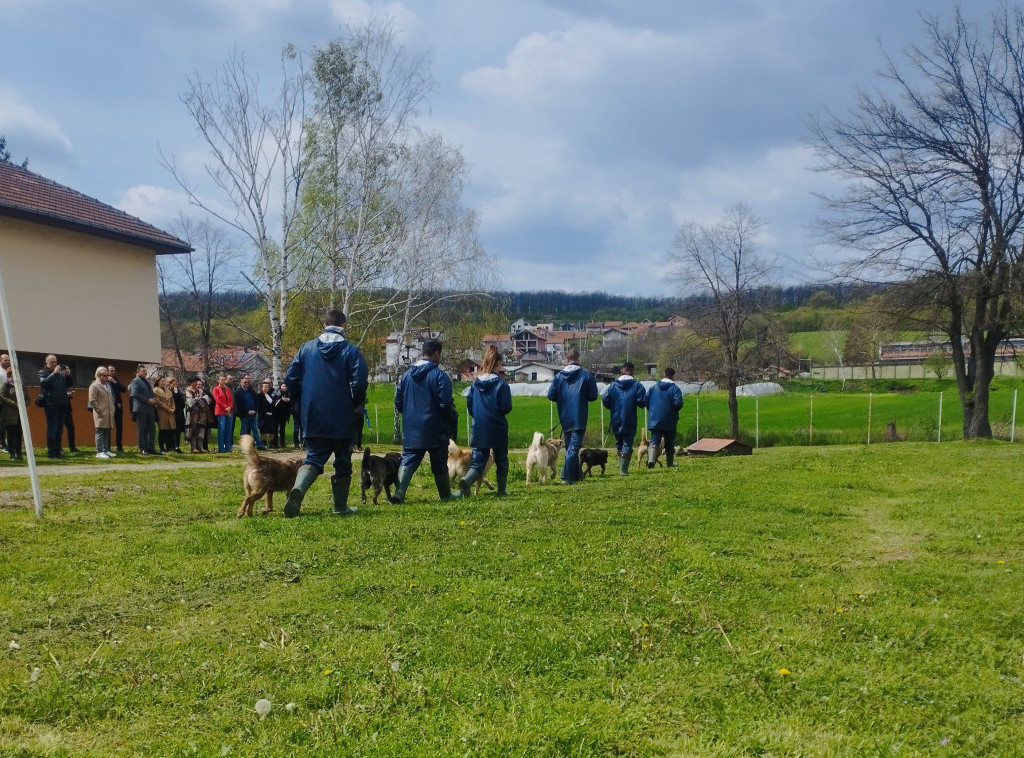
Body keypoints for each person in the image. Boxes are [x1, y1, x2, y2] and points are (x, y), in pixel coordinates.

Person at [283, 309, 369, 517]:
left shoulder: (306, 348)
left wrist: (298, 399)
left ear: (324, 325)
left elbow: (290, 378)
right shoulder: (350, 350)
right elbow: (360, 381)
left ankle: (298, 488)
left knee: (313, 458)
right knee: (342, 460)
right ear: (344, 325)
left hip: (312, 413)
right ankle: (339, 507)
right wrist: (355, 402)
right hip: (341, 414)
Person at [390, 339, 460, 503]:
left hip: (412, 428)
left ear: (423, 353)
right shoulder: (440, 376)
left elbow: (398, 402)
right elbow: (445, 404)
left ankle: (399, 493)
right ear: (436, 354)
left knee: (409, 459)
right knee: (439, 462)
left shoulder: (406, 376)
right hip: (435, 429)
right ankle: (445, 495)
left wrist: (410, 414)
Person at [460, 345, 512, 497]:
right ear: (498, 363)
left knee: (479, 460)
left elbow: (470, 405)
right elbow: (506, 407)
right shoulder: (501, 384)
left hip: (479, 426)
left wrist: (478, 416)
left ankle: (467, 480)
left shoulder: (475, 384)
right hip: (497, 426)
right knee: (501, 458)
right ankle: (501, 491)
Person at [546, 348, 599, 485]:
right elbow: (593, 396)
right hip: (579, 415)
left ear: (566, 359)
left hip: (564, 416)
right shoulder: (586, 375)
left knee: (570, 447)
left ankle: (577, 475)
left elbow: (551, 395)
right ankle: (566, 476)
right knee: (573, 448)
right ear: (578, 359)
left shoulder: (558, 377)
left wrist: (562, 398)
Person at [601, 361, 648, 476]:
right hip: (629, 417)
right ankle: (624, 470)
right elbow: (642, 401)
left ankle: (621, 467)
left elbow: (605, 399)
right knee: (627, 442)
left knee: (619, 442)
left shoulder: (613, 385)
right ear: (632, 371)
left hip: (615, 417)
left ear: (622, 370)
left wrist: (613, 407)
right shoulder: (637, 385)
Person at [646, 367, 684, 467]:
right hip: (669, 419)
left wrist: (652, 410)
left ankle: (651, 460)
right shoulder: (675, 389)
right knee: (669, 442)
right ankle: (670, 463)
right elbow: (678, 403)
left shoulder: (653, 388)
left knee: (654, 440)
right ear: (673, 376)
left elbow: (646, 401)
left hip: (655, 419)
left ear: (664, 374)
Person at [38, 354, 69, 459]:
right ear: (46, 362)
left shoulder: (60, 373)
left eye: (55, 362)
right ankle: (51, 452)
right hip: (51, 404)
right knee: (52, 429)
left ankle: (57, 451)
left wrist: (68, 375)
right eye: (51, 362)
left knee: (59, 430)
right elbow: (44, 383)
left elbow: (68, 384)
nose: (54, 364)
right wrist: (54, 373)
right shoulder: (43, 372)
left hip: (62, 403)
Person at [129, 364, 158, 455]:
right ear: (138, 372)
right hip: (141, 409)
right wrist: (147, 400)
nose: (145, 372)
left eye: (146, 371)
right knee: (141, 430)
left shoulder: (147, 381)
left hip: (150, 409)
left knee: (152, 429)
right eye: (143, 371)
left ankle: (151, 448)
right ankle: (142, 448)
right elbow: (134, 394)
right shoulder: (135, 381)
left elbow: (150, 392)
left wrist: (153, 399)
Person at [88, 365, 116, 460]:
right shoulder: (94, 386)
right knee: (100, 431)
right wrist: (99, 410)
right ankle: (99, 451)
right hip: (100, 413)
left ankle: (106, 449)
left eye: (107, 375)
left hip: (109, 412)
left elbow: (111, 397)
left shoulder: (107, 385)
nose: (107, 377)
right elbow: (92, 400)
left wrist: (113, 408)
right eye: (104, 375)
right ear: (99, 375)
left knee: (107, 430)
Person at [234, 374, 264, 449]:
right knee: (244, 430)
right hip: (244, 414)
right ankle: (243, 445)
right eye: (245, 382)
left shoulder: (251, 391)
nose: (247, 383)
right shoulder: (238, 392)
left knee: (255, 430)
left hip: (253, 414)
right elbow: (239, 404)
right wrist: (247, 411)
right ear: (241, 382)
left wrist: (254, 410)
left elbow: (256, 401)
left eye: (247, 382)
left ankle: (259, 445)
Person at [185, 377, 212, 453]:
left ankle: (200, 447)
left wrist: (201, 399)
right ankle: (193, 447)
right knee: (193, 429)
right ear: (191, 383)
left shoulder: (200, 391)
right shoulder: (187, 391)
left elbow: (208, 399)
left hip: (201, 413)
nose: (196, 383)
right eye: (195, 382)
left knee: (201, 429)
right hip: (193, 414)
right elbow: (190, 403)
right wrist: (198, 400)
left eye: (197, 382)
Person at [1, 364, 22, 460]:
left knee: (19, 434)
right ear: (10, 375)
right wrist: (14, 403)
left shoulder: (20, 385)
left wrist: (24, 403)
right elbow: (2, 396)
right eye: (14, 374)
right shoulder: (5, 385)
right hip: (9, 413)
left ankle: (19, 452)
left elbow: (27, 397)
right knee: (11, 434)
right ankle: (11, 453)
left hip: (20, 414)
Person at [153, 374, 177, 453]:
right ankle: (161, 447)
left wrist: (173, 408)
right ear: (158, 382)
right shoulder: (156, 390)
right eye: (162, 381)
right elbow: (158, 402)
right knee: (163, 430)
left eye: (164, 381)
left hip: (170, 413)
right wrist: (168, 408)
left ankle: (169, 447)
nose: (164, 382)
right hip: (162, 412)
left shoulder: (168, 390)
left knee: (170, 430)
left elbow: (172, 401)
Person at [211, 374, 234, 453]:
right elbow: (218, 400)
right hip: (221, 411)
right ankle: (221, 448)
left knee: (228, 430)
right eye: (222, 380)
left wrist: (229, 407)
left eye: (224, 380)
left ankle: (228, 447)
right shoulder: (215, 389)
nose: (224, 381)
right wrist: (225, 407)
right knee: (222, 429)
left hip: (229, 411)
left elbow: (230, 400)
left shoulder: (227, 389)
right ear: (218, 381)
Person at [107, 365, 127, 452]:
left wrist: (114, 381)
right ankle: (107, 446)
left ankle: (119, 446)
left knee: (119, 427)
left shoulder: (116, 380)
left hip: (118, 407)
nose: (113, 372)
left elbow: (124, 389)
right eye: (111, 371)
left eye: (114, 371)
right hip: (109, 407)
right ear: (107, 372)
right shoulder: (105, 381)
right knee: (108, 427)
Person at [61, 364, 78, 453]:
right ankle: (58, 447)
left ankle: (72, 446)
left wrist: (68, 375)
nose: (67, 370)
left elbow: (70, 386)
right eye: (65, 369)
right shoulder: (58, 378)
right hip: (59, 407)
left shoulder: (68, 378)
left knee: (71, 427)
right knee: (59, 428)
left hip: (67, 406)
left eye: (68, 369)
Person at [256, 378, 276, 447]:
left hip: (271, 415)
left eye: (267, 387)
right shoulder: (259, 396)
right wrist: (264, 412)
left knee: (272, 430)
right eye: (265, 387)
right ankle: (263, 443)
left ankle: (271, 443)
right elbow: (258, 406)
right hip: (263, 416)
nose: (267, 388)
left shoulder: (270, 395)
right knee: (263, 430)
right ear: (261, 388)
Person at [273, 381, 292, 449]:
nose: (285, 387)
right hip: (276, 413)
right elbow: (275, 403)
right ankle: (275, 443)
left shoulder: (288, 393)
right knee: (275, 429)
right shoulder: (277, 393)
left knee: (282, 429)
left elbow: (290, 404)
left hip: (284, 414)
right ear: (280, 386)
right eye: (283, 386)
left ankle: (282, 443)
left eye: (286, 386)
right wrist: (281, 400)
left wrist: (288, 400)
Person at [169, 377, 186, 453]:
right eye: (174, 384)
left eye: (176, 384)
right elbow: (173, 402)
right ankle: (172, 446)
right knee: (172, 430)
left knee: (178, 430)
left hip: (179, 413)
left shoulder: (178, 392)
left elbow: (182, 403)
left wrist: (177, 394)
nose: (175, 386)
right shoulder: (169, 392)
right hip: (172, 413)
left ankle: (177, 446)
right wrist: (175, 394)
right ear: (170, 384)